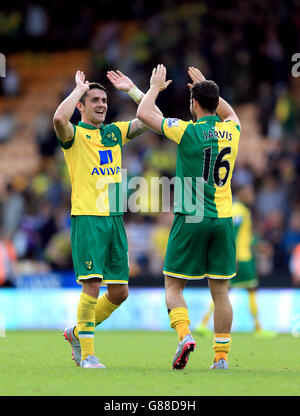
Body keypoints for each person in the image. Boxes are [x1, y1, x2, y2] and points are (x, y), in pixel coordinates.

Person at [53, 69, 162, 368]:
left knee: (120, 292)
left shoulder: (114, 132)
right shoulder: (74, 135)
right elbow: (59, 120)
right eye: (95, 100)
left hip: (114, 219)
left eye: (104, 100)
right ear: (82, 106)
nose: (101, 104)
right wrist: (78, 90)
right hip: (88, 217)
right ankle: (88, 354)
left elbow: (154, 120)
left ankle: (76, 332)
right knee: (92, 284)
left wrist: (134, 91)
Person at [137, 65, 241, 370]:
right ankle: (221, 359)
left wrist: (155, 87)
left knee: (173, 285)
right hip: (223, 219)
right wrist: (207, 86)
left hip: (191, 216)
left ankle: (184, 336)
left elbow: (144, 113)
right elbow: (230, 113)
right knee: (221, 292)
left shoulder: (186, 130)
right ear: (216, 101)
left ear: (193, 104)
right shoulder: (232, 130)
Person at [196, 184, 278, 338]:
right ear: (239, 194)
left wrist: (257, 244)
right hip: (242, 258)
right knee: (248, 289)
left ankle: (202, 323)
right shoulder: (239, 210)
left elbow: (244, 236)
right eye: (247, 192)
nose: (251, 194)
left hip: (240, 255)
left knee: (223, 292)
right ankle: (258, 328)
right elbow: (233, 233)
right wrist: (233, 256)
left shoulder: (241, 209)